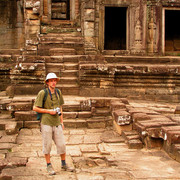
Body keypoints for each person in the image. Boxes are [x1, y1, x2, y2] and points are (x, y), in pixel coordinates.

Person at [33, 73, 73, 175]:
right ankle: (49, 165)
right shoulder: (42, 93)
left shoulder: (58, 92)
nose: (53, 82)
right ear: (47, 82)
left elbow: (60, 107)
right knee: (47, 145)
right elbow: (35, 108)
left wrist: (62, 121)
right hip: (46, 122)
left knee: (62, 145)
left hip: (56, 122)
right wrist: (49, 111)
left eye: (55, 80)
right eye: (51, 80)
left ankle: (63, 164)